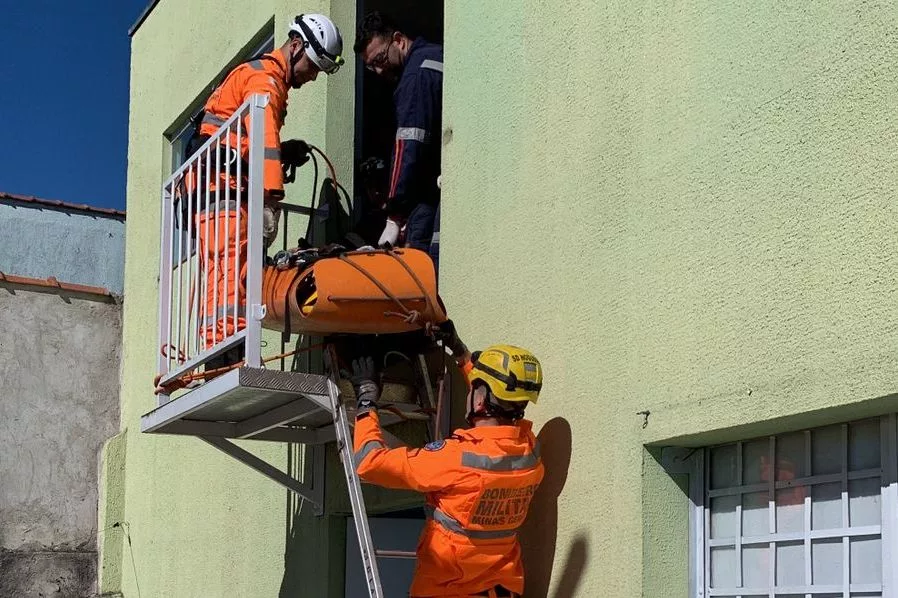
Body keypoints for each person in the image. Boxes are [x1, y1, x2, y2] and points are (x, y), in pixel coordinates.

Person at [186, 14, 344, 363]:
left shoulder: (261, 78)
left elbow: (251, 142)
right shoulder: (266, 81)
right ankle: (224, 354)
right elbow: (264, 140)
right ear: (296, 45)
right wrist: (272, 197)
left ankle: (226, 350)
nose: (313, 75)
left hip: (220, 186)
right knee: (232, 271)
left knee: (229, 270)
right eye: (313, 65)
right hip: (223, 188)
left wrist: (283, 153)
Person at [350, 322, 544, 598]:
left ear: (479, 401)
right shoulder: (529, 452)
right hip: (502, 589)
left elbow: (368, 462)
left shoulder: (454, 459)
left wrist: (367, 401)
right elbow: (496, 405)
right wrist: (462, 355)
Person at [354, 12, 443, 271]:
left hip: (427, 195)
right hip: (439, 185)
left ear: (399, 40)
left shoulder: (414, 77)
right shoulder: (438, 56)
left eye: (381, 59)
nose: (379, 70)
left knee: (418, 271)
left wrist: (394, 213)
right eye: (372, 67)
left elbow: (408, 147)